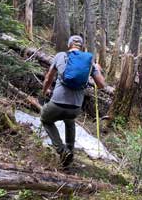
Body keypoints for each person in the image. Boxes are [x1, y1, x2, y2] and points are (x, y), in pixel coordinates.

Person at [41, 35, 106, 167]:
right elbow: (101, 85)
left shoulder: (60, 56)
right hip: (75, 107)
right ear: (81, 46)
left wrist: (44, 91)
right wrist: (97, 69)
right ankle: (69, 154)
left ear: (69, 45)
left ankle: (62, 150)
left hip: (57, 103)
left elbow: (48, 78)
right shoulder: (89, 62)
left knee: (45, 119)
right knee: (70, 121)